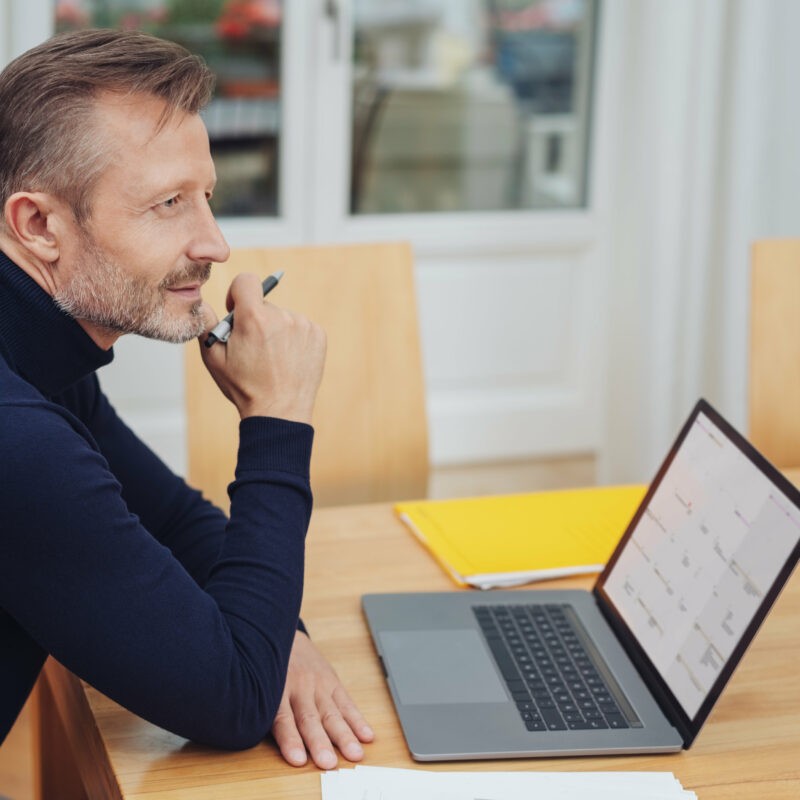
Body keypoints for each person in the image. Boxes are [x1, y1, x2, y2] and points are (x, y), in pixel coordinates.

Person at [0, 28, 373, 769]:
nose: (215, 245)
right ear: (38, 224)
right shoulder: (17, 439)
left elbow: (169, 519)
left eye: (207, 197)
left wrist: (278, 640)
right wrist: (278, 419)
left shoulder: (45, 359)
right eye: (169, 203)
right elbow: (231, 700)